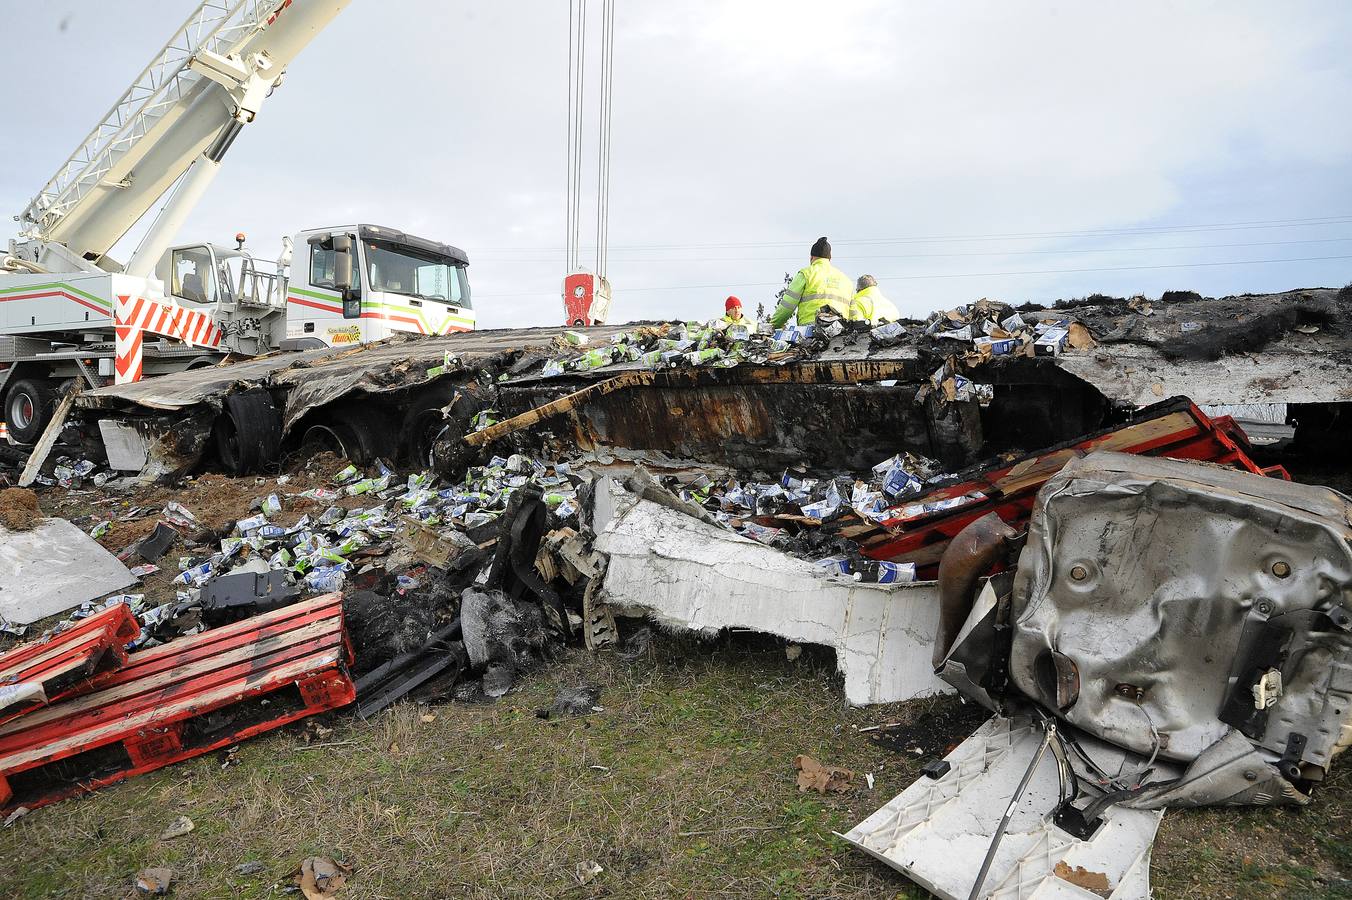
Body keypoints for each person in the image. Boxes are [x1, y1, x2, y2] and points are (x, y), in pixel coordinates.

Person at [770, 236, 853, 328]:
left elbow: (787, 306)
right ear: (830, 258)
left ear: (811, 257)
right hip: (841, 332)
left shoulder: (806, 274)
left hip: (811, 330)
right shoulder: (846, 280)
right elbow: (853, 312)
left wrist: (773, 326)